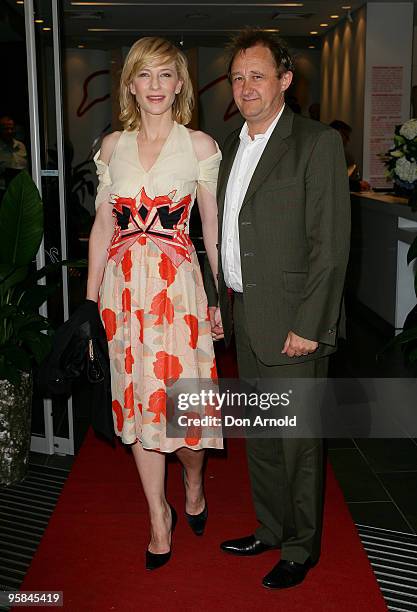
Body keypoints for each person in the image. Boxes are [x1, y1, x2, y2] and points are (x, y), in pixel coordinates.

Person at [207, 29, 350, 589]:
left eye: (257, 75)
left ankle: (301, 547)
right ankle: (269, 528)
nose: (245, 87)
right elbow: (227, 234)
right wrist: (224, 303)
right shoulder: (229, 146)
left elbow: (331, 246)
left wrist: (311, 326)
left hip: (295, 324)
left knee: (298, 445)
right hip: (246, 315)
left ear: (285, 81)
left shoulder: (315, 142)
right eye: (238, 77)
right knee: (263, 439)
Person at [86, 36, 223, 571]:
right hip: (123, 296)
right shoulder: (111, 147)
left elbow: (210, 230)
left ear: (181, 84)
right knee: (141, 411)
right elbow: (102, 227)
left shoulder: (200, 146)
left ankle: (192, 478)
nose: (157, 86)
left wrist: (217, 299)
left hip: (179, 295)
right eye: (146, 75)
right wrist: (91, 304)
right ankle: (157, 518)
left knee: (182, 414)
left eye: (167, 75)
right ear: (130, 85)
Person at [329, 119, 371, 191]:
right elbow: (337, 180)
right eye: (346, 136)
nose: (347, 140)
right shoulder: (330, 154)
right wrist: (358, 185)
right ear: (337, 134)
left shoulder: (331, 152)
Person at [0, 115, 28, 198]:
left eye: (12, 128)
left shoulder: (21, 146)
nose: (10, 131)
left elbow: (27, 169)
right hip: (3, 193)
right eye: (6, 129)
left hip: (21, 191)